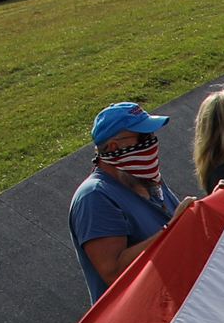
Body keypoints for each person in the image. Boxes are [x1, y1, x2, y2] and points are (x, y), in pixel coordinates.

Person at [70, 101, 177, 302]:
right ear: (114, 146)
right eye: (144, 137)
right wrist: (171, 229)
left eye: (153, 135)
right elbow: (113, 273)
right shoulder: (95, 197)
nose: (152, 141)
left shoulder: (149, 180)